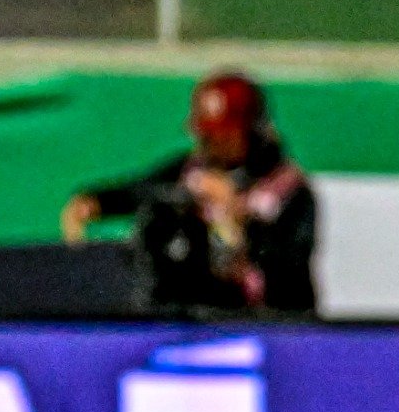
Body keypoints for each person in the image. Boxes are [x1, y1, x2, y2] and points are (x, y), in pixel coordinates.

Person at [61, 72, 317, 313]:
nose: (209, 145)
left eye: (222, 136)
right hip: (199, 315)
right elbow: (144, 190)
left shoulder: (287, 190)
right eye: (206, 136)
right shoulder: (192, 173)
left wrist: (236, 219)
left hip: (270, 324)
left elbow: (289, 271)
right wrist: (96, 203)